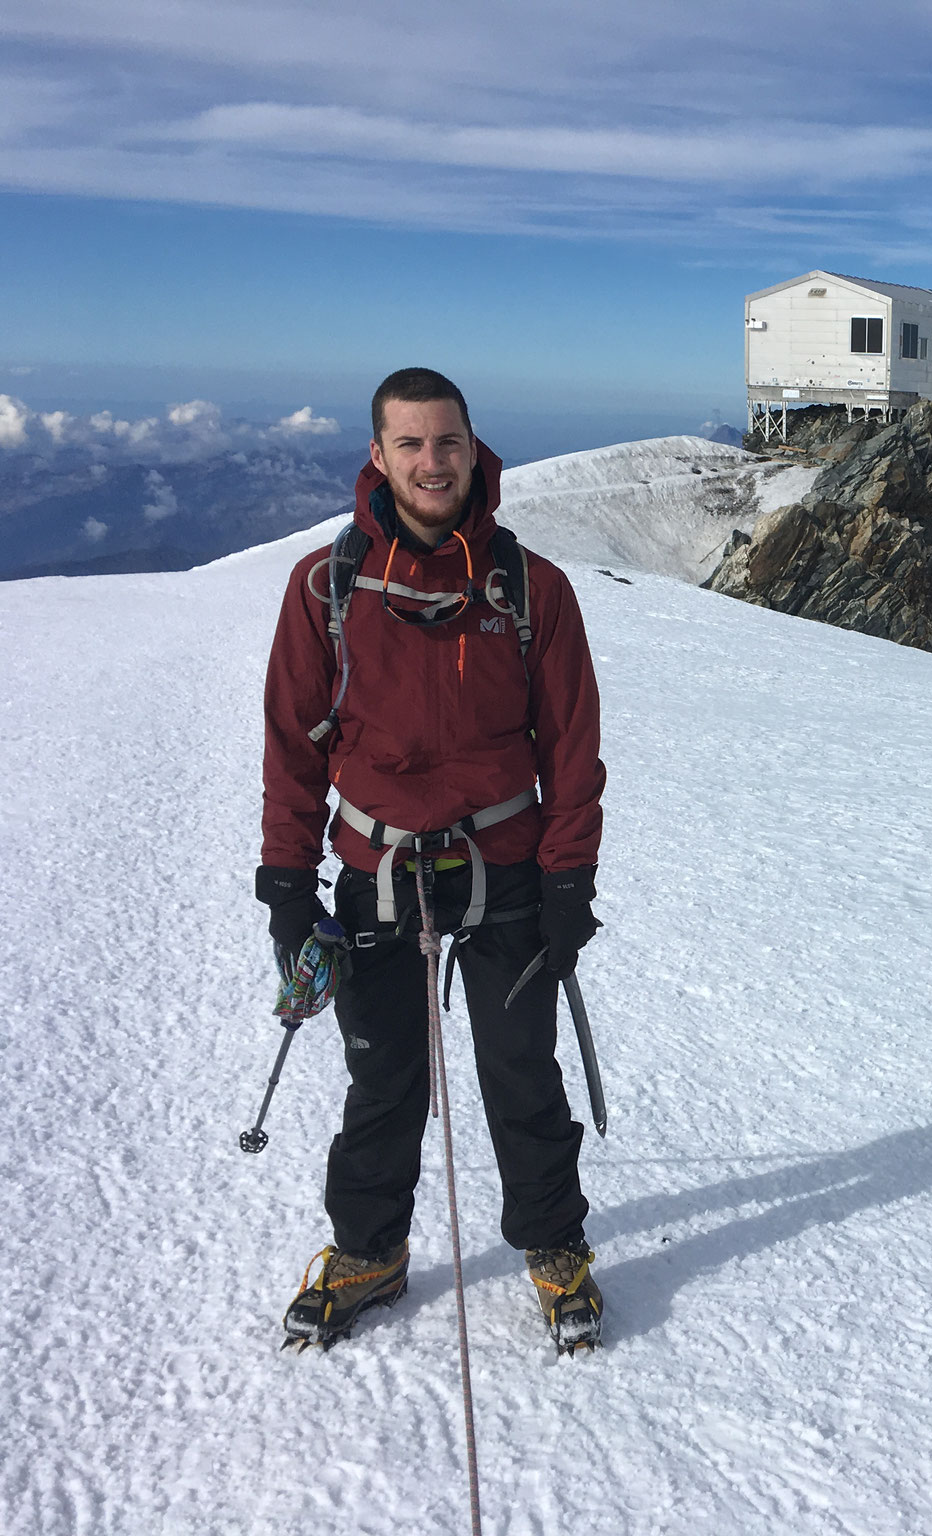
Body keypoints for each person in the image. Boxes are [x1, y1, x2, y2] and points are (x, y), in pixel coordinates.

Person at [257, 367, 608, 1351]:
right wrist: (285, 877)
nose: (430, 462)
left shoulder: (530, 588)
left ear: (471, 446)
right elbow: (292, 741)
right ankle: (368, 1250)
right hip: (376, 865)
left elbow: (571, 745)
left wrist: (569, 875)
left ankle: (552, 1243)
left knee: (519, 1073)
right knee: (383, 1078)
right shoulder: (325, 589)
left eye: (445, 441)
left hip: (505, 864)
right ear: (377, 456)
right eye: (408, 444)